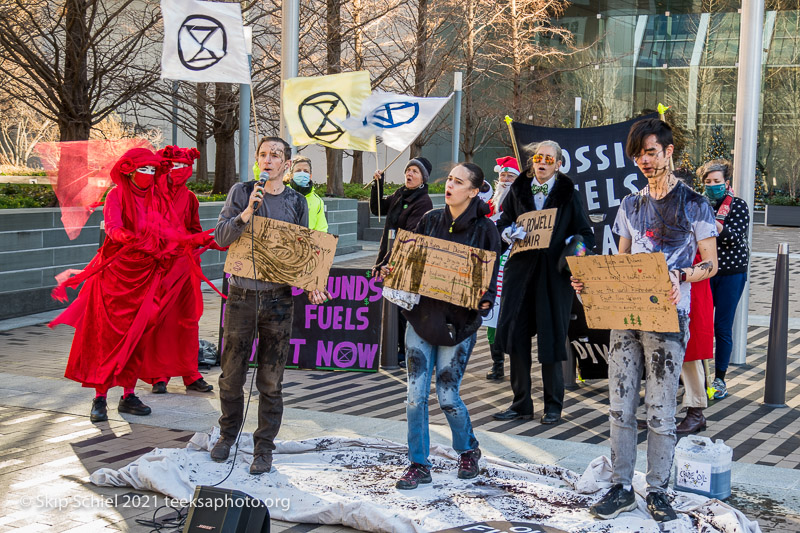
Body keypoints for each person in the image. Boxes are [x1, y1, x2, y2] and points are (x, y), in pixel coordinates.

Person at [573, 118, 718, 522]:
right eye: (638, 155)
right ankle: (619, 486)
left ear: (669, 151)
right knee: (619, 406)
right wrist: (591, 285)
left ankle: (658, 490)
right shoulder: (630, 204)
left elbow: (711, 263)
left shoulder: (695, 203)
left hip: (671, 316)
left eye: (651, 152)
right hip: (626, 316)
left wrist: (681, 274)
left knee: (660, 411)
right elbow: (619, 262)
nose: (644, 161)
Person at [212, 136, 325, 475]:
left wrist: (313, 284)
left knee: (271, 381)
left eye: (276, 155)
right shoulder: (241, 191)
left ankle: (263, 448)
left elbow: (303, 252)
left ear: (286, 164)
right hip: (241, 298)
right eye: (263, 154)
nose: (269, 159)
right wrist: (245, 214)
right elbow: (220, 238)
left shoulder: (296, 201)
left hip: (278, 301)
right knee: (231, 376)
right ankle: (227, 435)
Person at [386, 162, 500, 490]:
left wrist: (484, 299)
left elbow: (488, 281)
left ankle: (467, 449)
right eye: (449, 179)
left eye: (459, 182)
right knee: (414, 396)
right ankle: (418, 464)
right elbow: (407, 264)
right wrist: (393, 273)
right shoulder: (430, 219)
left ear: (474, 191)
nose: (450, 185)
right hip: (420, 319)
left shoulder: (486, 229)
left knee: (448, 395)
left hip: (458, 326)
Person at [50, 148, 173, 422]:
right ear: (129, 171)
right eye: (144, 170)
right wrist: (125, 236)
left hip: (146, 274)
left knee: (138, 336)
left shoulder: (156, 196)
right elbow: (113, 226)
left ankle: (129, 394)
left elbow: (165, 228)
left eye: (153, 171)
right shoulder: (117, 195)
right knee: (107, 337)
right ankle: (100, 397)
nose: (149, 175)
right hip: (115, 277)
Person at [493, 142, 594, 424]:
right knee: (516, 337)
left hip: (553, 278)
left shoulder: (569, 194)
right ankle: (521, 403)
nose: (542, 162)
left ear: (558, 164)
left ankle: (553, 406)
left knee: (551, 339)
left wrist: (569, 255)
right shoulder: (518, 189)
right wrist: (508, 233)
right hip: (520, 275)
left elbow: (586, 236)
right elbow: (502, 222)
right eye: (538, 157)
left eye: (548, 159)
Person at [146, 145, 214, 395]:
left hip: (185, 269)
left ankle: (190, 373)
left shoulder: (190, 198)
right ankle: (158, 375)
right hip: (159, 268)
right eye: (174, 166)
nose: (179, 171)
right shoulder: (151, 194)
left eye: (184, 167)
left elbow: (195, 230)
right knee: (160, 322)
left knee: (188, 321)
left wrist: (207, 241)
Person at [370, 157, 434, 368]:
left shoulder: (423, 202)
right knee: (391, 304)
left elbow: (410, 236)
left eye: (415, 171)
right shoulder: (400, 193)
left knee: (402, 307)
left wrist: (386, 263)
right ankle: (395, 349)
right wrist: (377, 185)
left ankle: (404, 351)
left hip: (406, 260)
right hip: (388, 255)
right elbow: (378, 209)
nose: (410, 174)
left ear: (423, 178)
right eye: (408, 170)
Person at [698, 159, 750, 400]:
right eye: (708, 182)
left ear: (726, 182)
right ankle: (698, 374)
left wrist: (712, 223)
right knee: (701, 324)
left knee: (722, 326)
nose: (712, 186)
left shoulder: (738, 206)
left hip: (731, 273)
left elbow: (733, 238)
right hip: (705, 271)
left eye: (717, 181)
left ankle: (720, 377)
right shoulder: (698, 205)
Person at [485, 156, 520, 381]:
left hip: (515, 263)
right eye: (503, 175)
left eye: (510, 176)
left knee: (513, 315)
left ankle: (516, 363)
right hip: (493, 265)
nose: (505, 180)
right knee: (492, 315)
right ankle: (497, 363)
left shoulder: (523, 203)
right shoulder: (489, 205)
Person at [284, 156, 328, 233]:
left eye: (305, 171)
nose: (302, 173)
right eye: (298, 170)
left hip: (307, 243)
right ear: (291, 175)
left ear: (310, 176)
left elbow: (322, 229)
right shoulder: (282, 194)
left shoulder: (317, 201)